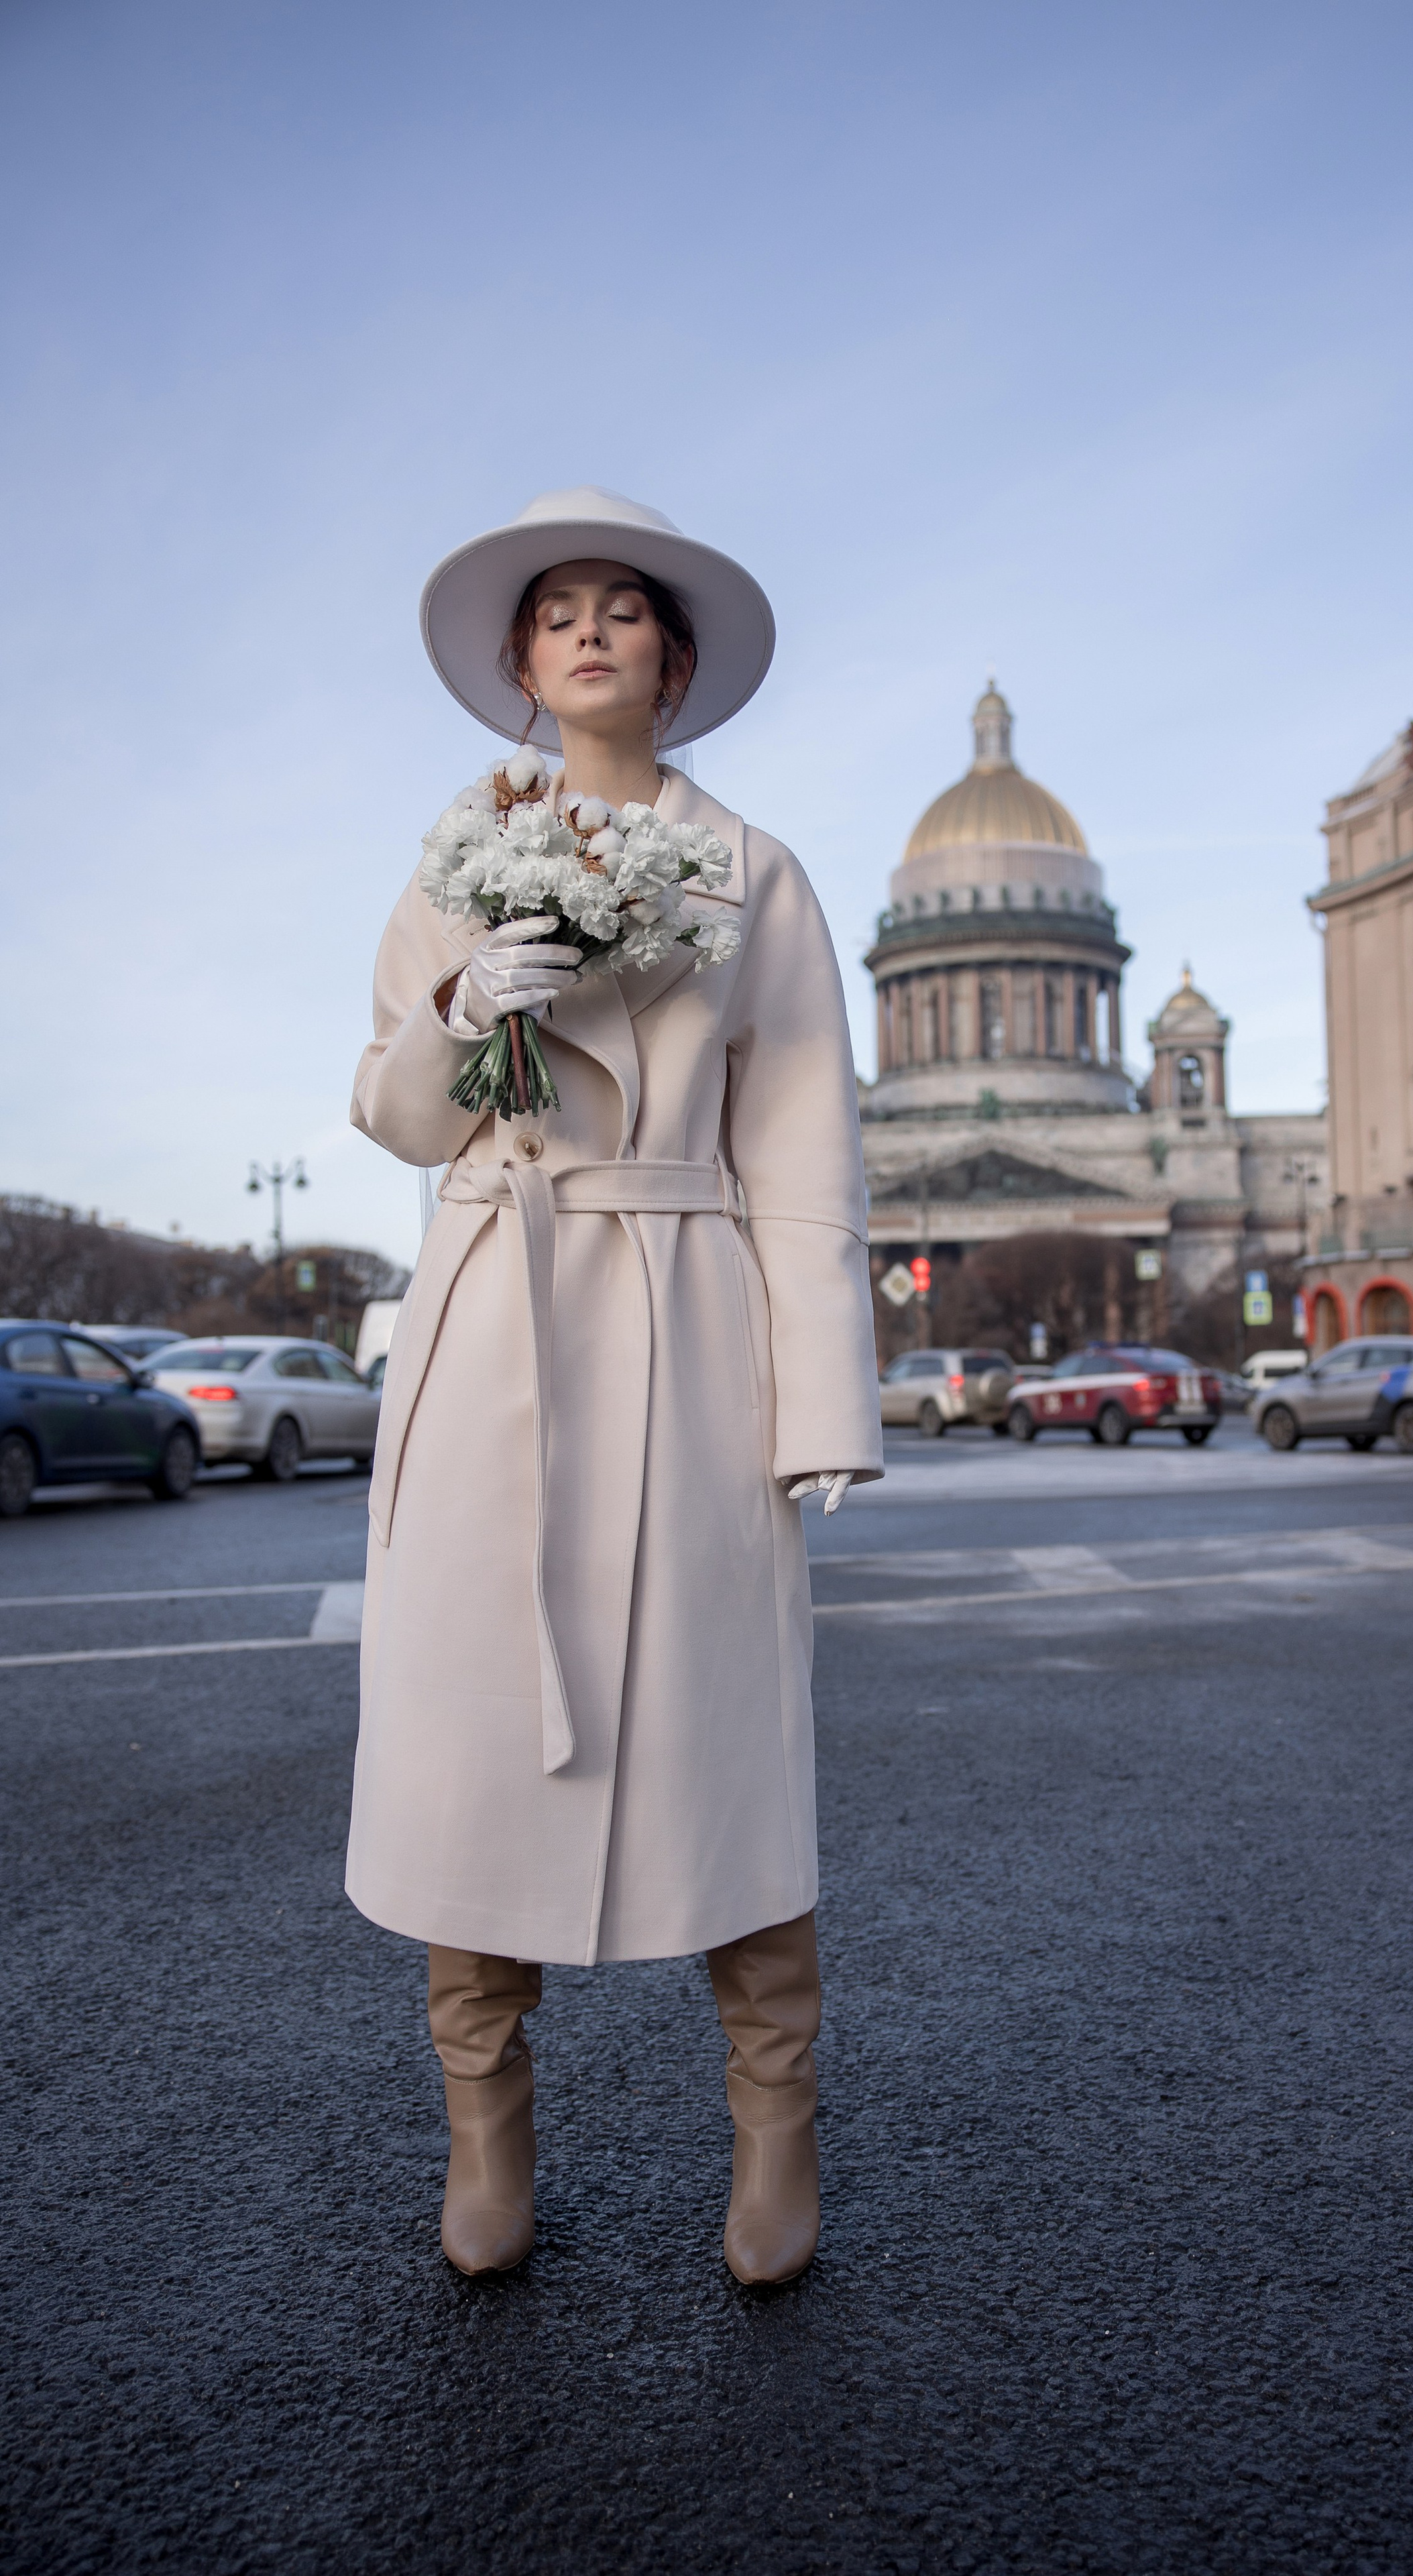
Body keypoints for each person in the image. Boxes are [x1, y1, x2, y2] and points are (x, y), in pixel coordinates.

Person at [345, 486, 882, 2284]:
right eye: (556, 609)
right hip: (498, 1308)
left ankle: (774, 2125)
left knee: (727, 1734)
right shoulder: (451, 855)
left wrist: (822, 1403)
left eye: (624, 606)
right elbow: (390, 1112)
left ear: (673, 654)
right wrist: (454, 1016)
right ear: (520, 661)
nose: (589, 629)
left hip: (687, 1310)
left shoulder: (757, 869)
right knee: (469, 1737)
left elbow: (805, 1144)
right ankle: (484, 2130)